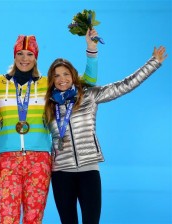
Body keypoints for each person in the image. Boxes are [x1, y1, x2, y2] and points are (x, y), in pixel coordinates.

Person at [0, 28, 99, 223]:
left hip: (39, 160)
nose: (25, 58)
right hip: (8, 159)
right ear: (14, 56)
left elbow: (88, 81)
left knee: (33, 219)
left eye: (30, 54)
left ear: (36, 57)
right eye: (20, 54)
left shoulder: (48, 84)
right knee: (8, 219)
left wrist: (91, 50)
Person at [44, 46, 167, 224]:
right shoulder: (48, 104)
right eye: (56, 75)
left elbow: (124, 85)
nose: (62, 79)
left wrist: (153, 63)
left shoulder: (89, 96)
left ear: (73, 75)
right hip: (61, 174)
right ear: (51, 80)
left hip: (89, 171)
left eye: (65, 74)